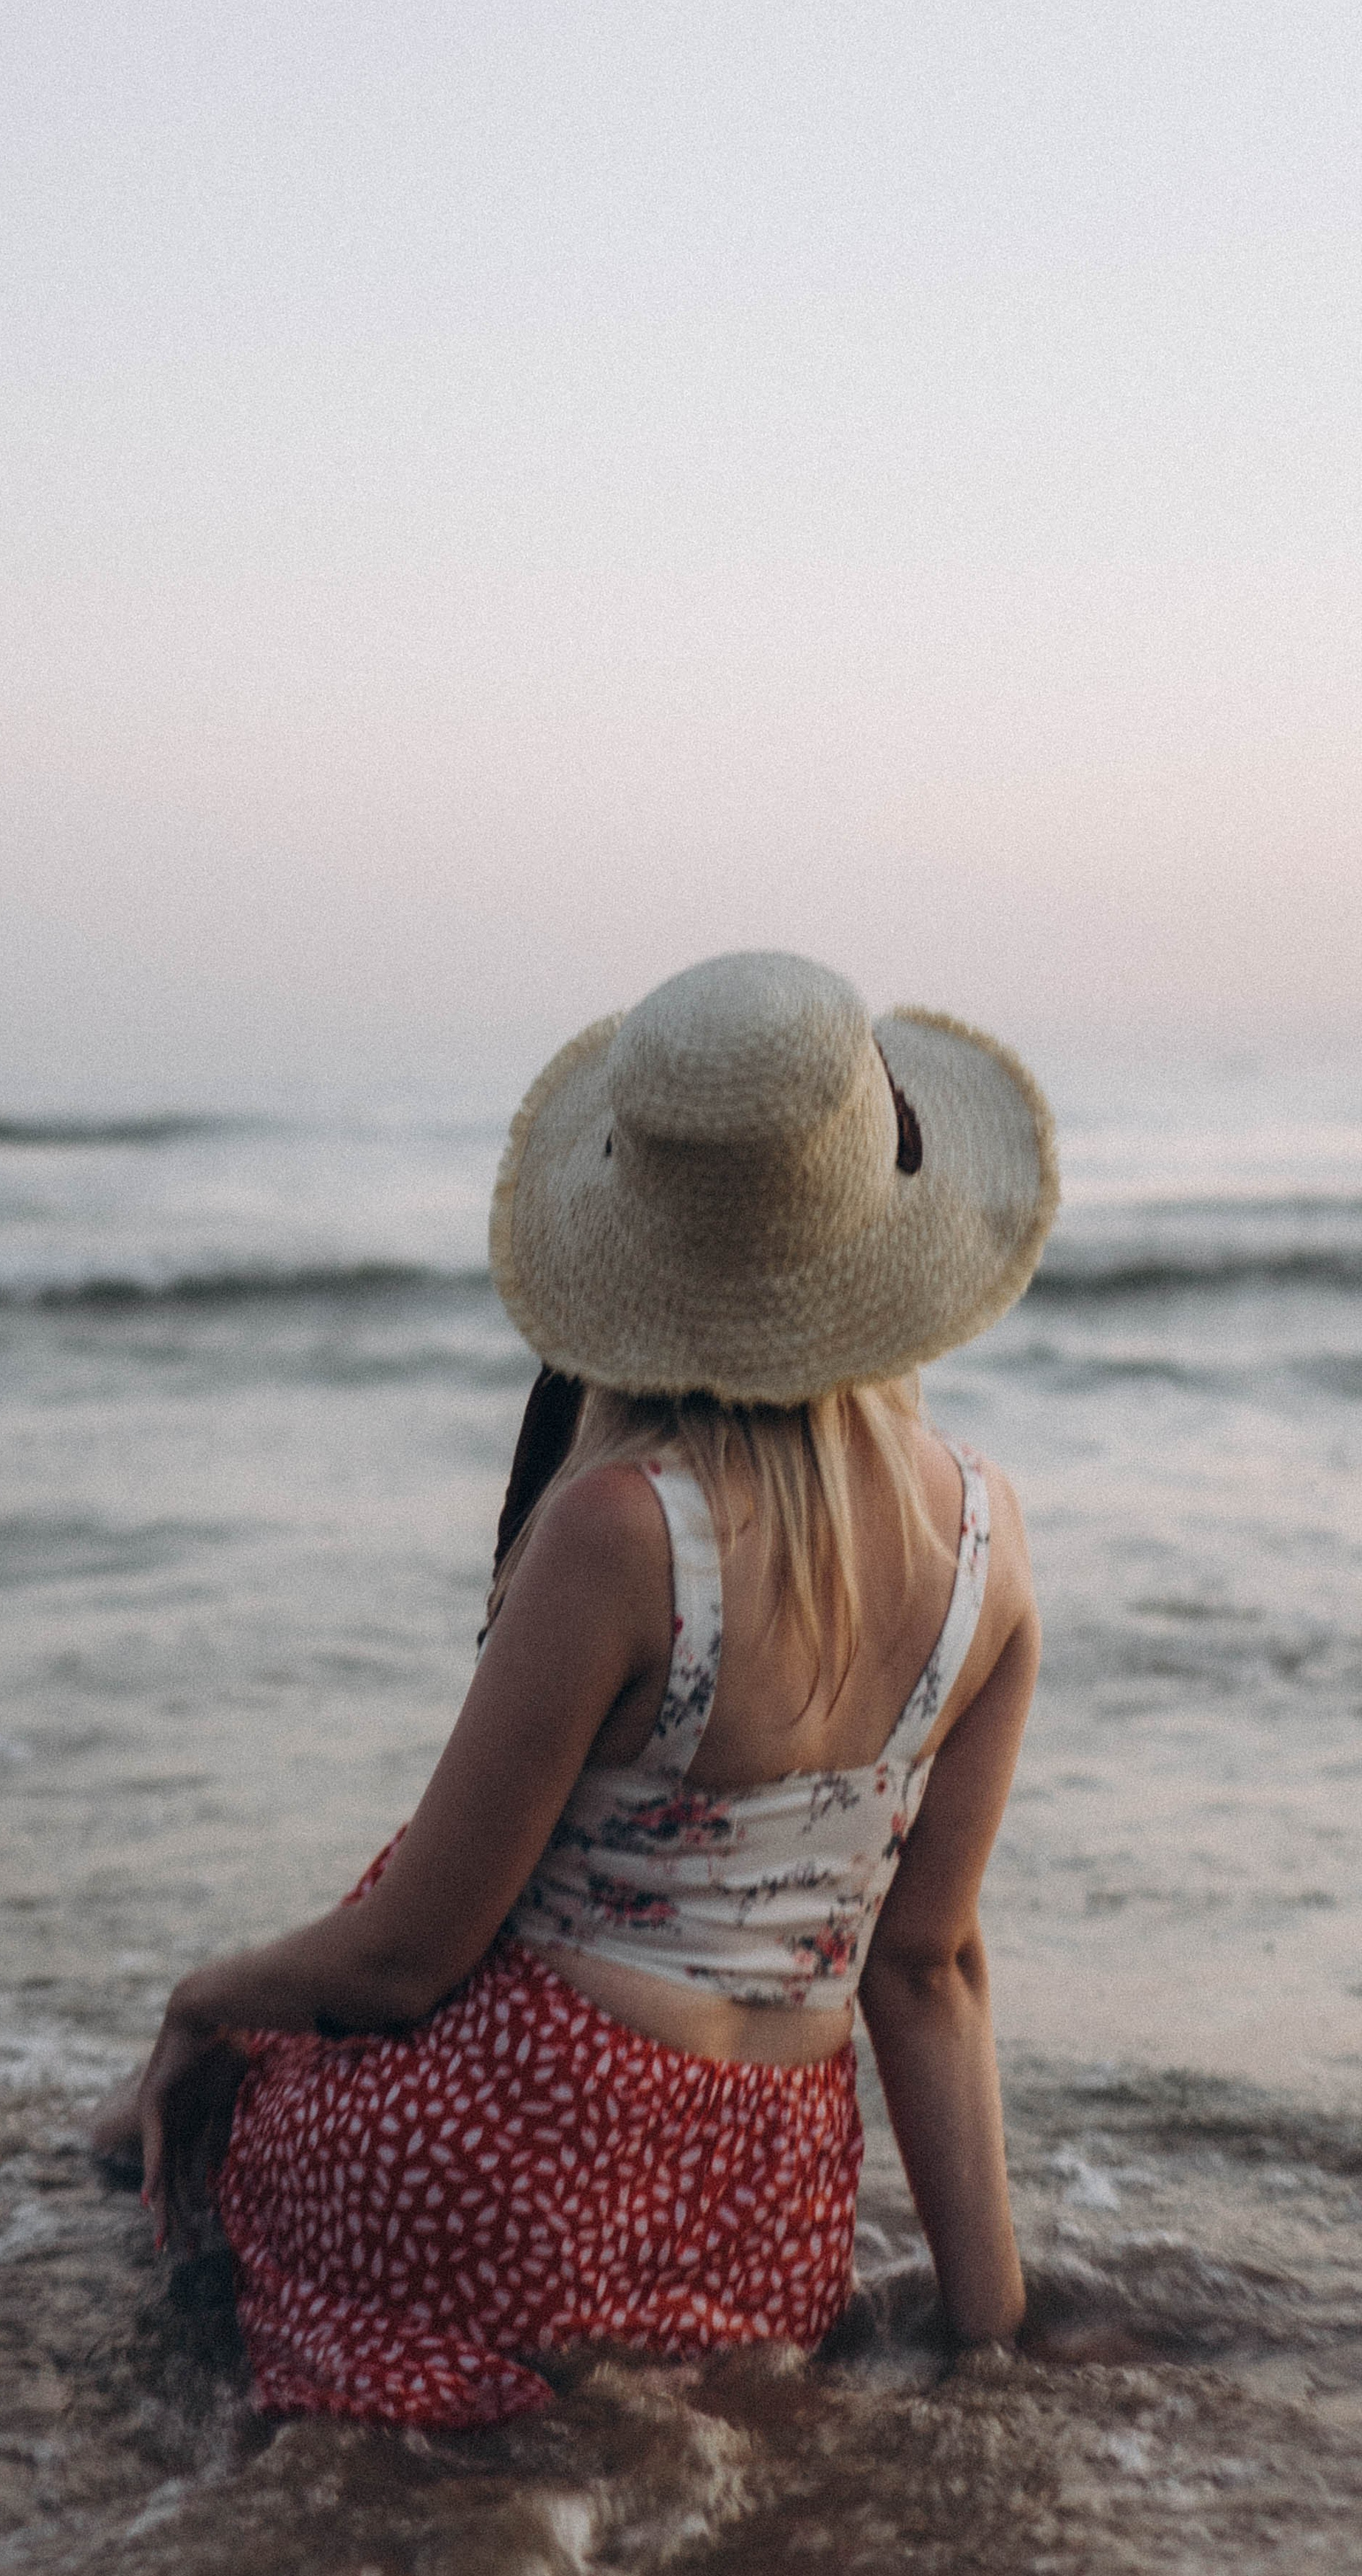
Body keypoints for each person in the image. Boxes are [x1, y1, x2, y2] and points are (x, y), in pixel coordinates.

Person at [91, 950, 1058, 2428]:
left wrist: (198, 1997)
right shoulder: (983, 1540)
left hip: (509, 2193)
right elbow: (926, 1977)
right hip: (763, 2238)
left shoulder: (622, 1531)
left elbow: (402, 1962)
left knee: (195, 2103)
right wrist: (993, 2342)